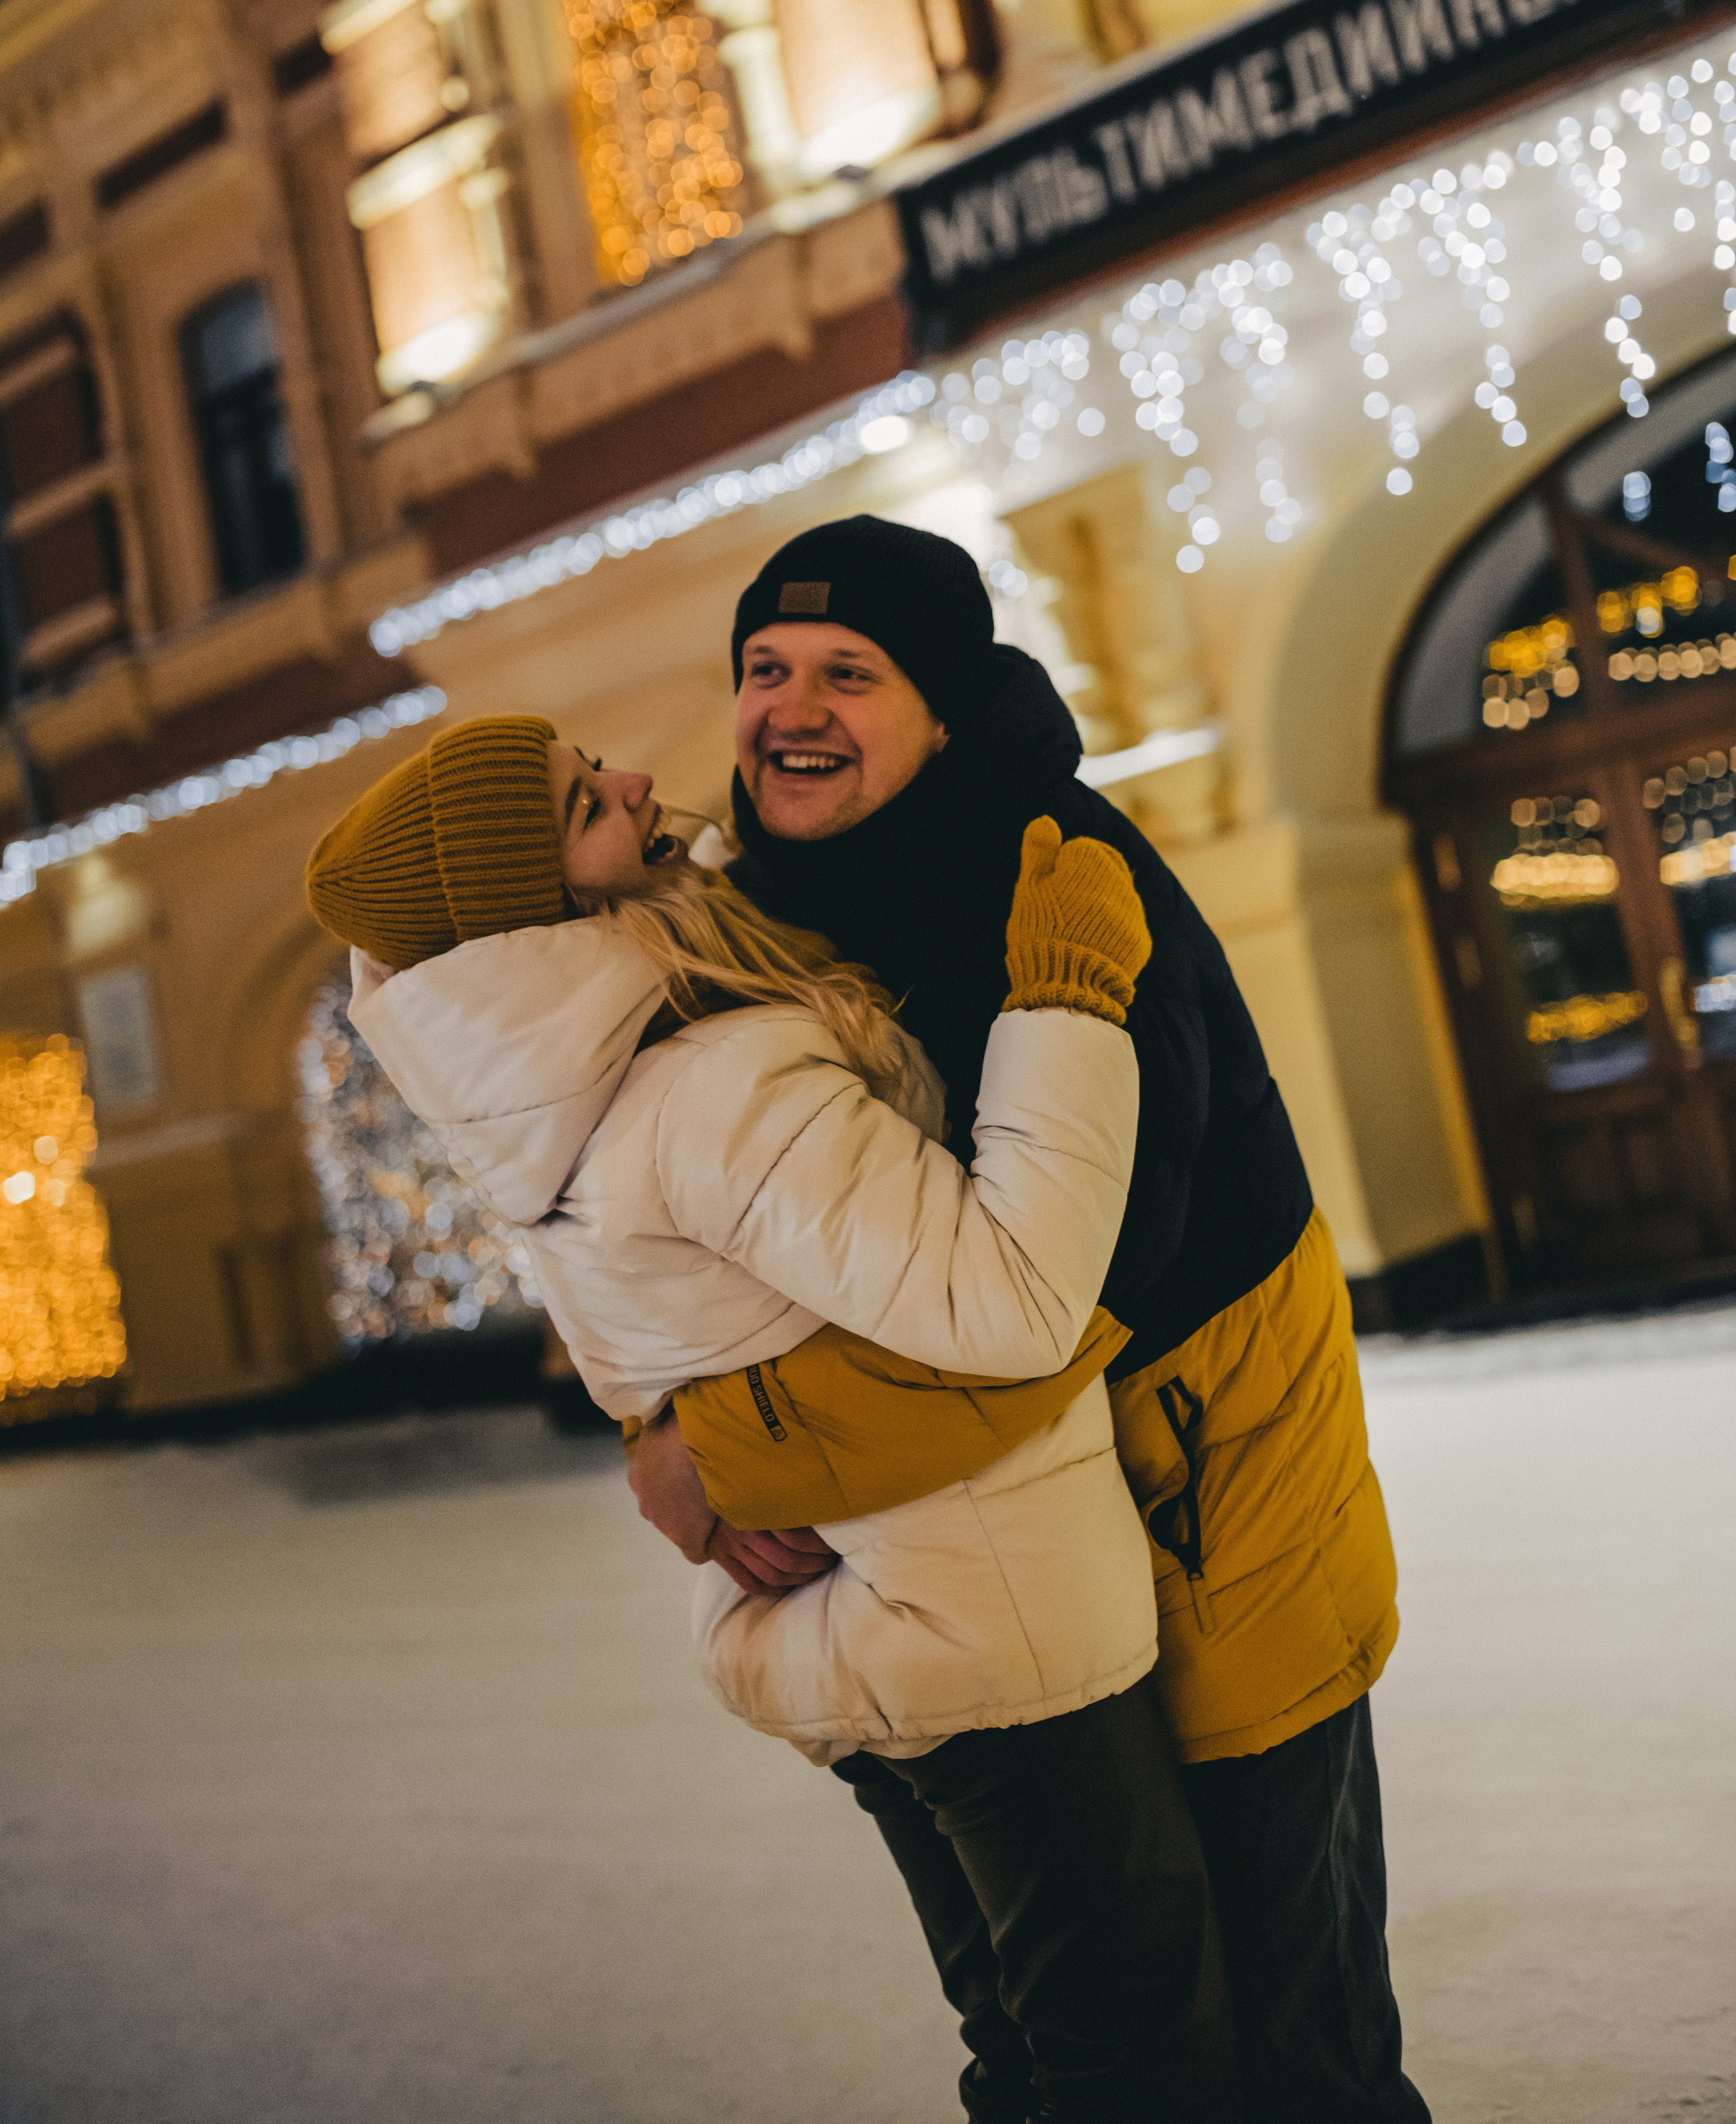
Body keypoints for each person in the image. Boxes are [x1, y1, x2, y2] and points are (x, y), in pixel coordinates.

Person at [304, 713, 1244, 2122]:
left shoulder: (544, 1117)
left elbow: (641, 1370)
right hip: (996, 1620)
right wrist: (1064, 999)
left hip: (860, 1626)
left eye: (591, 761)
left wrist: (689, 1460)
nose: (634, 781)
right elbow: (1007, 1298)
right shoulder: (711, 1087)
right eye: (584, 808)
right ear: (532, 911)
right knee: (1135, 2049)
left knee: (1024, 2036)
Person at [627, 514, 1430, 2124]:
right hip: (1000, 1544)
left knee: (1289, 2032)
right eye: (764, 669)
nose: (791, 708)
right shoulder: (758, 909)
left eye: (848, 673)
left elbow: (1051, 1301)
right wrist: (669, 1424)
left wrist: (729, 1453)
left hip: (1208, 1491)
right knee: (1055, 2022)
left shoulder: (1061, 881)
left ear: (942, 702)